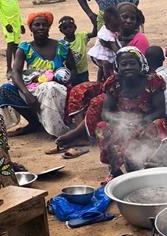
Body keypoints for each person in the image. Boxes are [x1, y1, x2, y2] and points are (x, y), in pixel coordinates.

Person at [54, 3, 150, 150]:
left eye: (132, 18)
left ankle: (79, 133)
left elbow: (138, 69)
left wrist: (112, 50)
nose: (128, 21)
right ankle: (83, 133)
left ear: (137, 21)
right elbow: (101, 61)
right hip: (108, 81)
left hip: (127, 87)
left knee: (98, 102)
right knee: (79, 90)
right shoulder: (110, 35)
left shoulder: (139, 39)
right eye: (124, 17)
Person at [0, 12, 77, 137]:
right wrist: (26, 93)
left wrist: (66, 81)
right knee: (5, 89)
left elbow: (73, 69)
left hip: (58, 90)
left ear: (49, 27)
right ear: (31, 28)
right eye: (37, 25)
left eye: (44, 25)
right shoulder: (25, 48)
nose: (41, 27)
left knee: (50, 88)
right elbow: (15, 73)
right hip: (33, 90)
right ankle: (35, 123)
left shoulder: (62, 47)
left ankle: (56, 129)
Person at [96, 46, 167, 179]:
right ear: (118, 66)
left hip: (146, 121)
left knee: (159, 124)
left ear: (141, 64)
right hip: (122, 124)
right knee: (102, 127)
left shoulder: (153, 81)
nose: (128, 67)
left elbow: (160, 111)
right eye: (123, 64)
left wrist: (141, 122)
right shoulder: (113, 83)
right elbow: (106, 112)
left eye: (132, 63)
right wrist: (121, 122)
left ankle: (151, 164)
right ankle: (115, 170)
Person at [146, 46, 167, 139]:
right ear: (163, 58)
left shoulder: (156, 77)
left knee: (166, 130)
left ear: (146, 62)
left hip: (165, 109)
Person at [59, 16, 97, 85]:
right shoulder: (61, 43)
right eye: (65, 28)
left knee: (85, 87)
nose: (68, 29)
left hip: (83, 71)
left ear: (75, 27)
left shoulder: (81, 36)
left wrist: (95, 23)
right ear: (61, 31)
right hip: (70, 72)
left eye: (70, 27)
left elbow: (94, 34)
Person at [88, 7, 122, 82]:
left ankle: (98, 81)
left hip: (105, 53)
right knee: (106, 65)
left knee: (102, 68)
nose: (117, 28)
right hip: (101, 54)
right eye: (115, 27)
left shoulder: (110, 27)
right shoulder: (108, 34)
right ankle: (107, 80)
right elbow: (115, 49)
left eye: (118, 26)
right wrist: (122, 53)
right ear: (106, 25)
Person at [0, 0, 26, 79]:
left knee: (16, 46)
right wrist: (6, 24)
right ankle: (9, 69)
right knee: (10, 44)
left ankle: (16, 69)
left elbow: (17, 10)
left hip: (16, 24)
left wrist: (21, 24)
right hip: (8, 24)